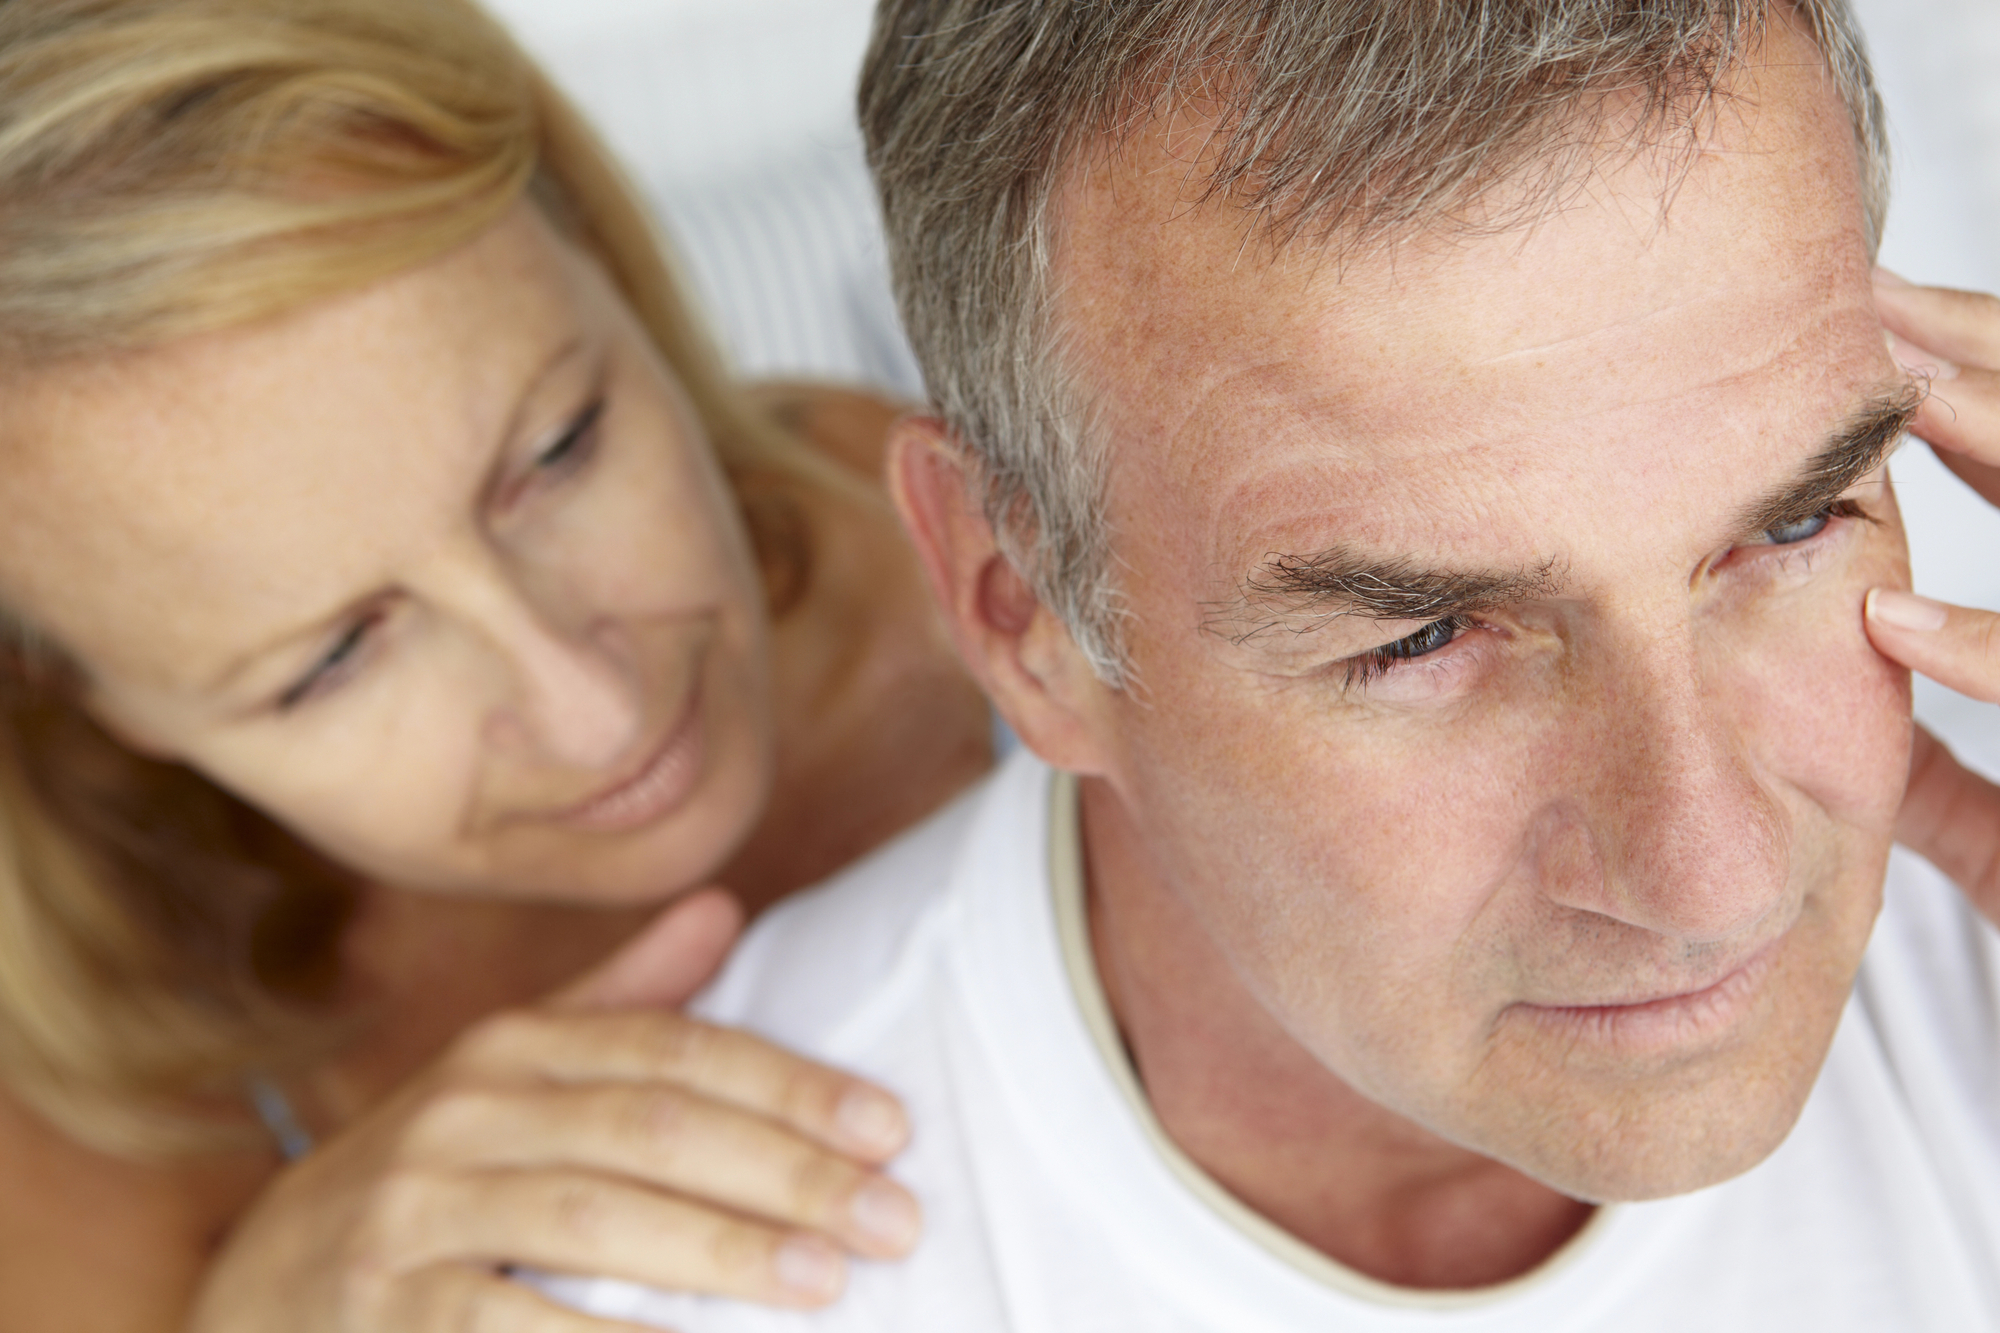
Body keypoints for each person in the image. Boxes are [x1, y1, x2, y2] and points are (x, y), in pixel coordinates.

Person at [544, 0, 2000, 1327]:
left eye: (1800, 522)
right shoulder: (656, 1293)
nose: (1717, 880)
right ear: (1019, 607)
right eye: (1422, 636)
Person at [0, 0, 996, 1327]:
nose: (598, 717)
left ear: (598, 251)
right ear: (83, 698)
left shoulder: (963, 538)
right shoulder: (95, 1118)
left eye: (561, 449)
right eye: (333, 659)